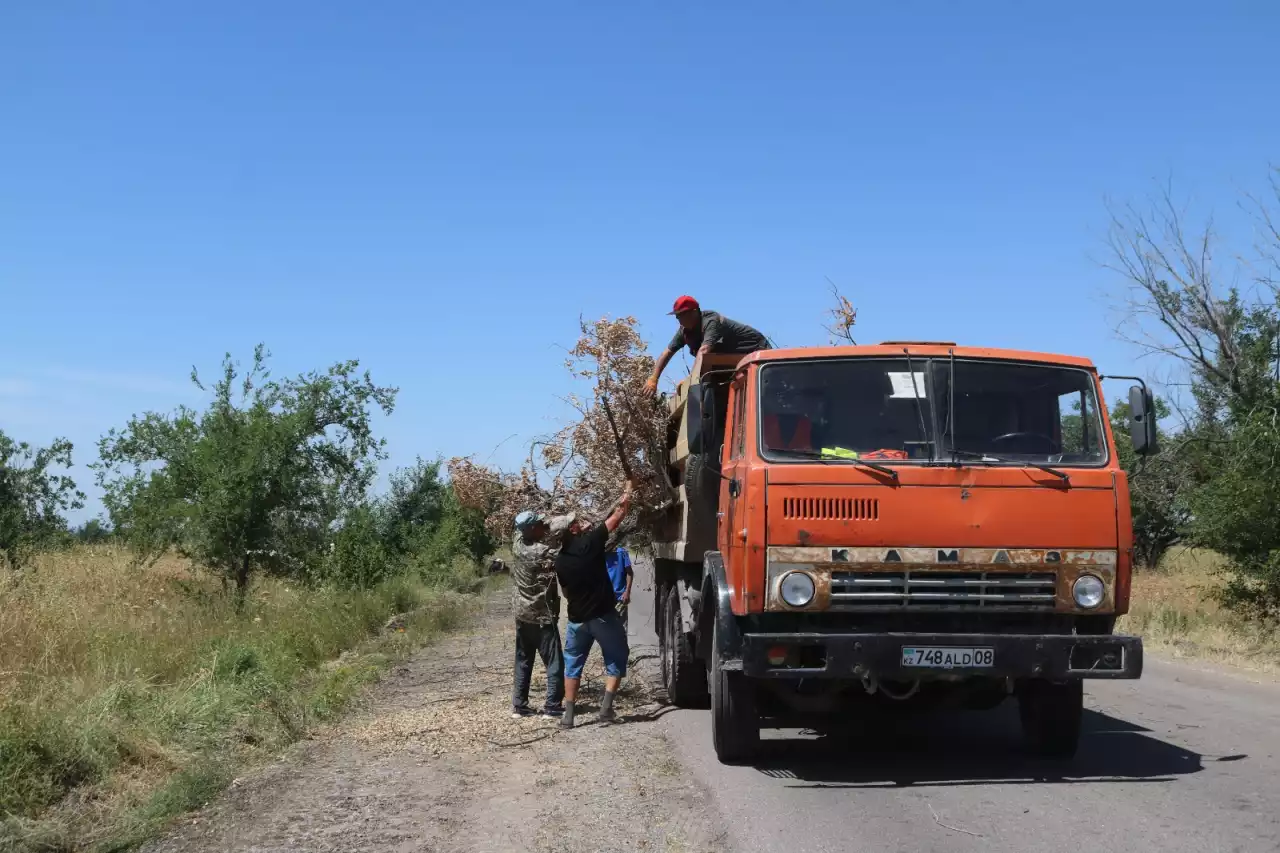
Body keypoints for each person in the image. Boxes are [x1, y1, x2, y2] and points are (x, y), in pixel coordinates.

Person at [554, 480, 634, 729]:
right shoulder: (590, 544)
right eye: (575, 521)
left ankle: (568, 715)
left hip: (577, 619)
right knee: (617, 656)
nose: (578, 521)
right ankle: (606, 708)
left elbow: (566, 592)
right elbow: (618, 516)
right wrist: (628, 491)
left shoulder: (560, 561)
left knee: (573, 664)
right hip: (602, 616)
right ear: (573, 529)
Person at [509, 510, 573, 719]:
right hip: (541, 616)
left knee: (523, 659)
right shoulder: (542, 552)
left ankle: (520, 706)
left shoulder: (517, 545)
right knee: (554, 661)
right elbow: (567, 551)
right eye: (538, 524)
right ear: (531, 529)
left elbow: (520, 529)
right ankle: (553, 706)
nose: (541, 527)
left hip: (522, 615)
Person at [642, 295, 770, 396]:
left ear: (694, 312)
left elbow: (704, 351)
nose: (679, 320)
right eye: (677, 316)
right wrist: (654, 379)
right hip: (732, 363)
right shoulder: (684, 331)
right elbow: (667, 353)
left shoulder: (711, 321)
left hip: (758, 353)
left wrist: (690, 380)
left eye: (682, 315)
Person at [605, 544, 634, 631]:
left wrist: (627, 592)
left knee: (621, 628)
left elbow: (629, 573)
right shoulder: (600, 553)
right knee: (607, 628)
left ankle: (622, 643)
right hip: (605, 597)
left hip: (620, 597)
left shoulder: (622, 553)